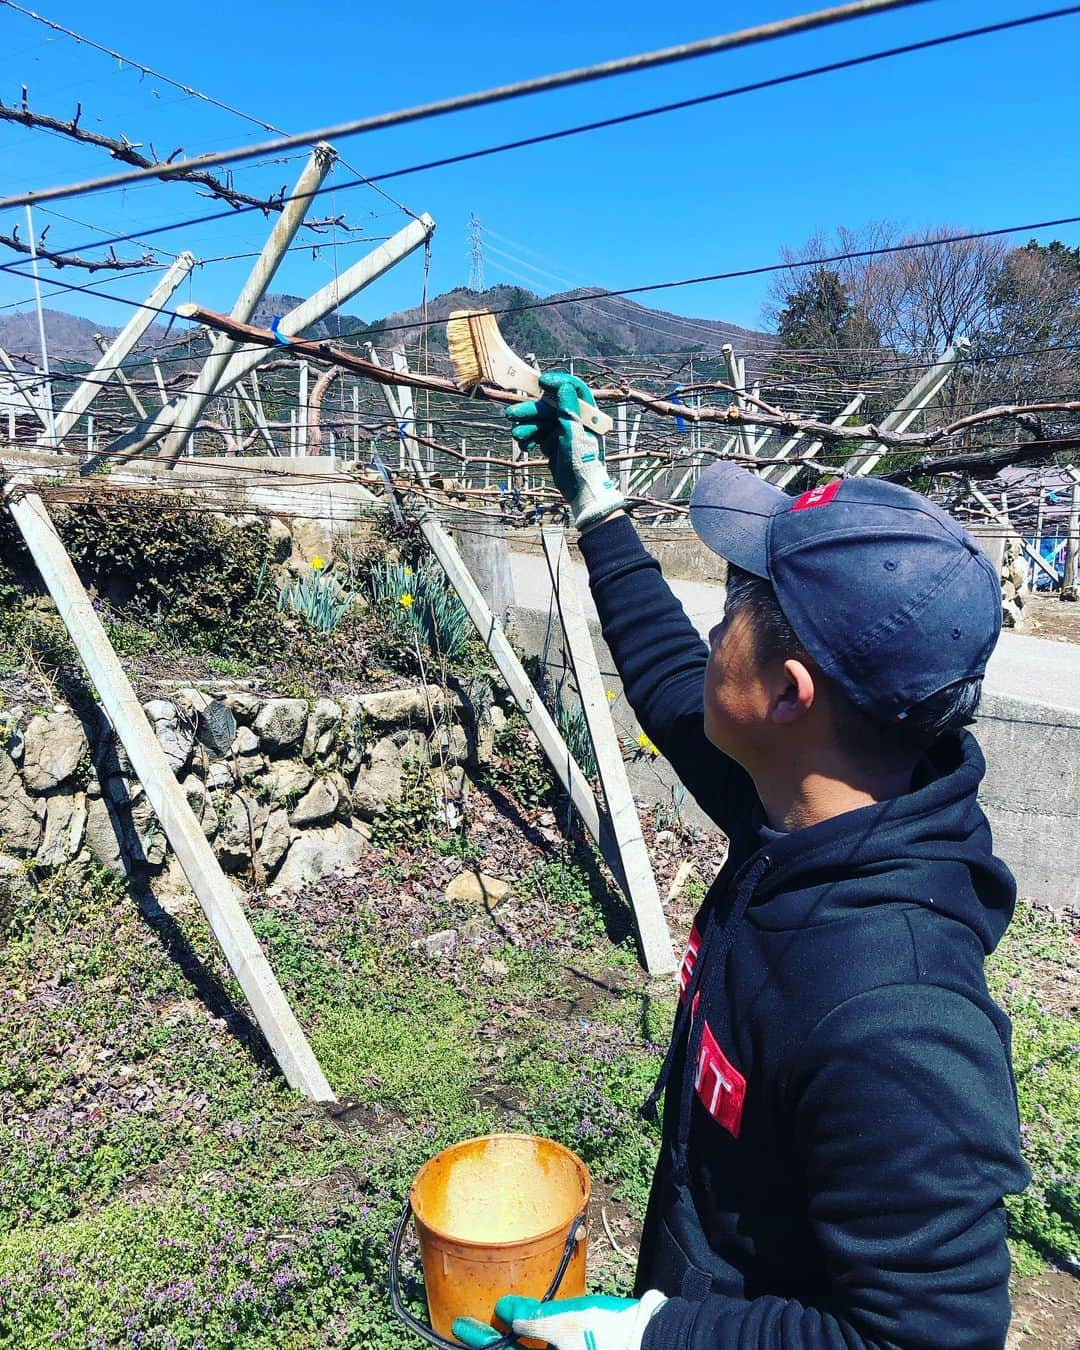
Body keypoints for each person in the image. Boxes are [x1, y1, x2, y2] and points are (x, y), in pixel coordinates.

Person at [453, 373, 1029, 1350]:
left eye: (737, 607)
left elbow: (927, 1338)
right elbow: (678, 686)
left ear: (791, 696)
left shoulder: (896, 1015)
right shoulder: (805, 811)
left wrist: (650, 1340)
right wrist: (593, 498)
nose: (714, 627)